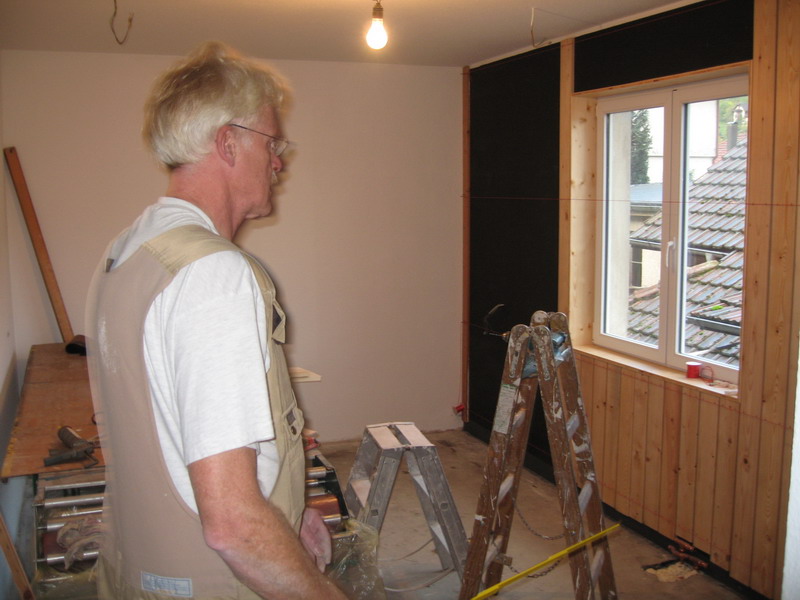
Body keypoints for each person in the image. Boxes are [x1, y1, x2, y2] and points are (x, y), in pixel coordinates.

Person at [85, 41, 347, 600]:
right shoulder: (212, 274)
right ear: (228, 142)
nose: (279, 161)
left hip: (135, 565)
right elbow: (232, 525)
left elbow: (174, 431)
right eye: (271, 143)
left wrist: (287, 512)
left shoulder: (127, 251)